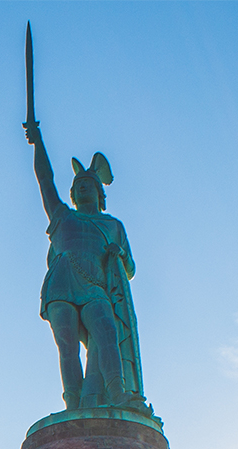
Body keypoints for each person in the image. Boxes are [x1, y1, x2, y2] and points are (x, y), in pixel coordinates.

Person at [25, 120, 146, 412]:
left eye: (88, 184)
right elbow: (45, 179)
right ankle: (73, 403)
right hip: (60, 284)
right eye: (77, 185)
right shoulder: (63, 217)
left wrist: (119, 253)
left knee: (106, 333)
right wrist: (38, 141)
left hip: (95, 286)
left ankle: (117, 392)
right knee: (67, 347)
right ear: (72, 194)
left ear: (99, 192)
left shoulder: (113, 225)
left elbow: (130, 268)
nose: (82, 187)